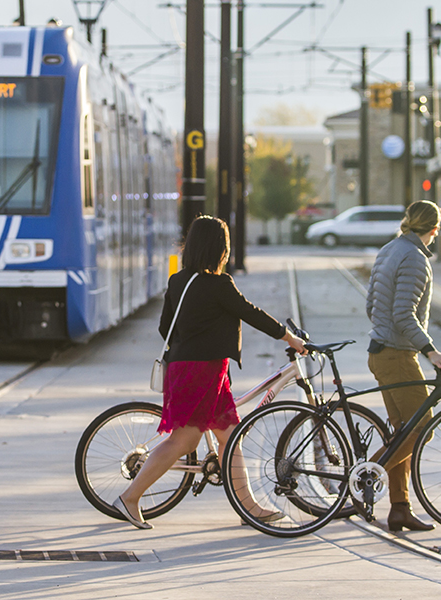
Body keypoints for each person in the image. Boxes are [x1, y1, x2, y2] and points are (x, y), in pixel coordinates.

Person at [114, 216, 307, 529]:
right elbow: (251, 313)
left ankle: (249, 508)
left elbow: (166, 327)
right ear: (221, 249)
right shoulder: (219, 285)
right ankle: (130, 497)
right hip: (200, 373)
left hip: (190, 368)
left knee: (230, 438)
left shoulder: (178, 280)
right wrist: (291, 338)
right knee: (185, 441)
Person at [365, 200, 441, 532]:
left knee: (401, 432)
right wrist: (430, 351)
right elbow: (404, 315)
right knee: (421, 429)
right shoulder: (415, 259)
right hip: (398, 356)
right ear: (434, 229)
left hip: (380, 352)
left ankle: (400, 508)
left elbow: (372, 305)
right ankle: (368, 475)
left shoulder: (389, 249)